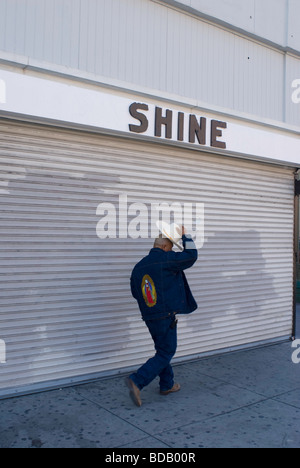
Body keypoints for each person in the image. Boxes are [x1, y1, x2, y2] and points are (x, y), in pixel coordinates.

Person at [126, 226, 198, 407]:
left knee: (162, 350)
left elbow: (136, 293)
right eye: (171, 248)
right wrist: (185, 236)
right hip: (165, 315)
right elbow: (191, 255)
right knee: (167, 351)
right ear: (166, 247)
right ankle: (137, 380)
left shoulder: (138, 266)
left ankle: (167, 384)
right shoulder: (166, 259)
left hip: (149, 315)